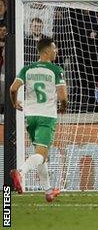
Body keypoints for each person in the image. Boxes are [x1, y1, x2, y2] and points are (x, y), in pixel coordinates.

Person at [9, 38, 67, 202]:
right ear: (47, 51)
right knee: (41, 155)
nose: (56, 51)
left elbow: (13, 88)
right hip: (46, 116)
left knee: (42, 154)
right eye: (54, 48)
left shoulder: (27, 69)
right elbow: (63, 96)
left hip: (30, 116)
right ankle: (20, 172)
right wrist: (63, 107)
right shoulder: (56, 70)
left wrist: (15, 103)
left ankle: (48, 191)